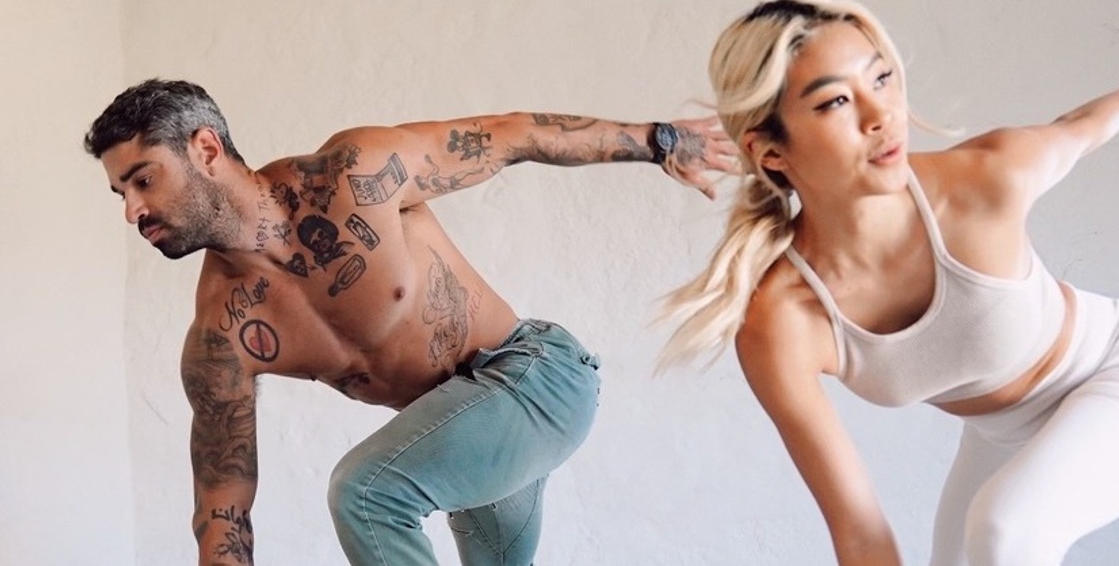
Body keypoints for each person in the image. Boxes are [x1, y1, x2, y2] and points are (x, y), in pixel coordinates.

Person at [660, 0, 1119, 566]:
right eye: (835, 102)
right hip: (1000, 437)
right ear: (771, 151)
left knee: (1005, 531)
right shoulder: (781, 320)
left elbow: (1076, 131)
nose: (881, 115)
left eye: (882, 79)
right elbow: (861, 534)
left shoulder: (981, 182)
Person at [83, 79, 736, 566]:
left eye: (143, 180)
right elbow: (223, 515)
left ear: (205, 148)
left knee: (366, 493)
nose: (132, 211)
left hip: (534, 374)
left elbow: (511, 136)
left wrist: (660, 141)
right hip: (465, 431)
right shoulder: (221, 338)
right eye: (121, 193)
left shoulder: (352, 174)